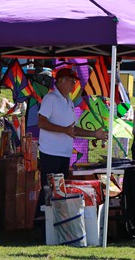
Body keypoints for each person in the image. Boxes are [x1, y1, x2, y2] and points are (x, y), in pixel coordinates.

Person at [37, 67, 106, 223]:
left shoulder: (68, 101)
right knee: (49, 189)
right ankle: (41, 224)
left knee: (59, 190)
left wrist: (95, 134)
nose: (73, 84)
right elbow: (41, 122)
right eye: (70, 81)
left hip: (64, 153)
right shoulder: (51, 98)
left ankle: (55, 223)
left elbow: (72, 129)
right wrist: (64, 130)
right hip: (51, 152)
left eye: (74, 81)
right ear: (60, 81)